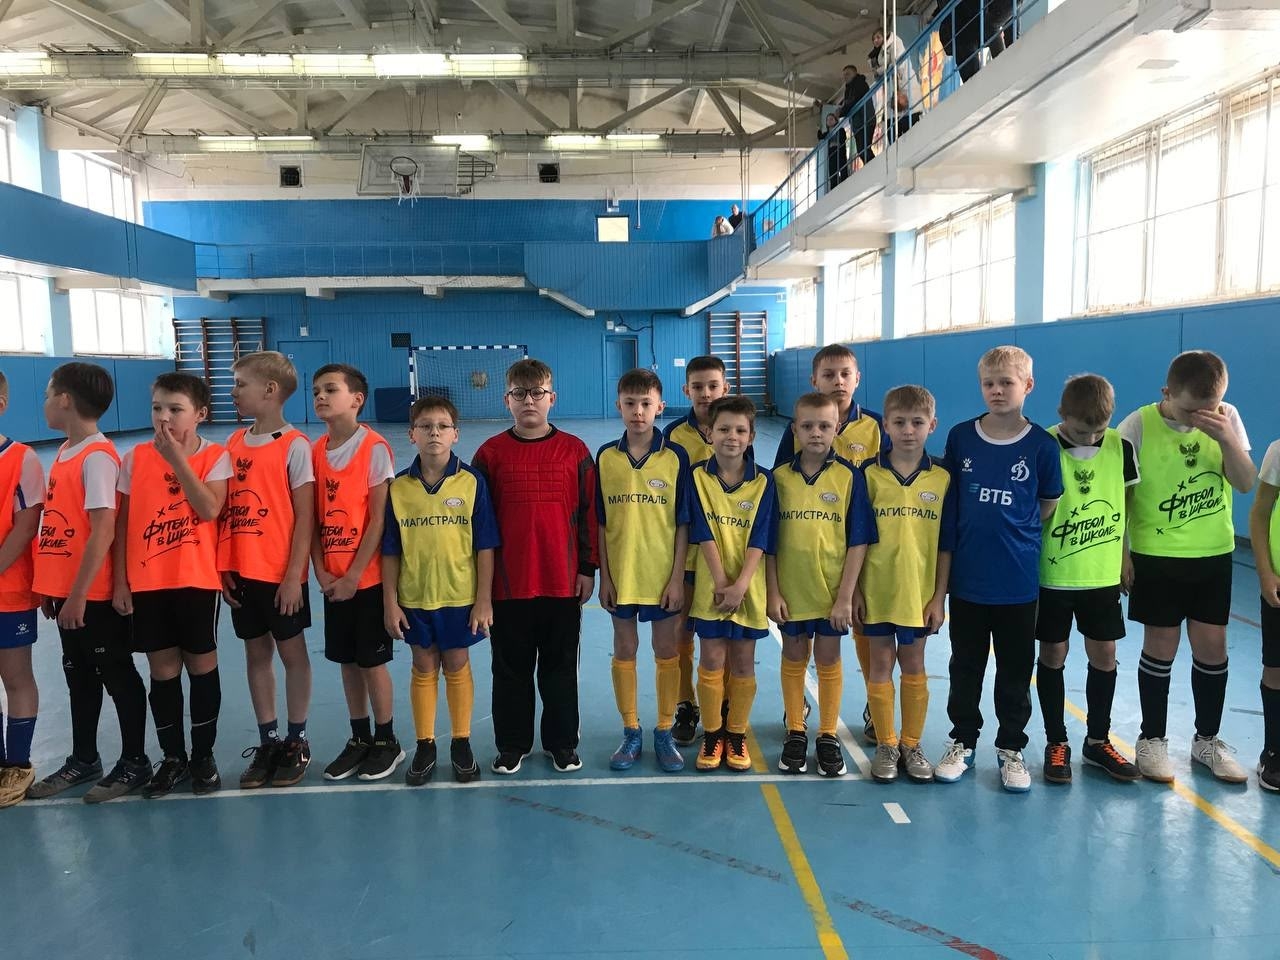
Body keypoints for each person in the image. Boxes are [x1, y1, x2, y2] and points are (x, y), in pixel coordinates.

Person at [1120, 350, 1256, 783]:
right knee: (1161, 646)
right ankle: (1152, 740)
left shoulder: (1226, 419)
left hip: (1212, 554)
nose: (1201, 418)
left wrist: (1227, 438)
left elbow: (1245, 482)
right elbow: (1119, 493)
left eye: (1209, 408)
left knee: (1213, 648)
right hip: (1157, 556)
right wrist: (1122, 553)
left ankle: (1207, 740)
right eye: (1190, 410)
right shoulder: (1137, 425)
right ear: (1167, 392)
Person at [935, 346, 1063, 792]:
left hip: (1017, 581)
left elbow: (1046, 504)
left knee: (1014, 669)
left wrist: (1014, 532)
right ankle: (962, 740)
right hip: (968, 580)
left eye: (1006, 382)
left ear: (1027, 386)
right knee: (965, 666)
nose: (997, 390)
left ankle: (1011, 747)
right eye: (988, 383)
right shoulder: (961, 438)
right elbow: (953, 502)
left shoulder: (1042, 446)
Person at [27, 363, 151, 802]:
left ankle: (135, 761)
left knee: (116, 673)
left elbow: (103, 530)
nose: (44, 402)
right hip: (68, 593)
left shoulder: (97, 457)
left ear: (65, 400)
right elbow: (63, 528)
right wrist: (53, 588)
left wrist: (78, 595)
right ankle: (84, 758)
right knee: (78, 676)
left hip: (92, 595)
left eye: (48, 394)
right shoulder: (66, 451)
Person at [473, 358, 597, 775]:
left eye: (537, 393)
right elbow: (479, 524)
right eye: (520, 394)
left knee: (560, 669)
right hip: (508, 585)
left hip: (562, 582)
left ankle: (561, 742)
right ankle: (512, 743)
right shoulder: (490, 454)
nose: (529, 401)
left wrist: (587, 568)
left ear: (551, 398)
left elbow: (589, 513)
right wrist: (482, 584)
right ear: (507, 400)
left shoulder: (575, 451)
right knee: (511, 669)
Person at [112, 373, 230, 798]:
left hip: (196, 579)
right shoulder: (134, 459)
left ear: (200, 414)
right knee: (162, 672)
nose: (164, 417)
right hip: (148, 581)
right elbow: (122, 524)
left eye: (175, 409)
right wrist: (120, 580)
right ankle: (173, 758)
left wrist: (178, 460)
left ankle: (203, 756)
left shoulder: (215, 456)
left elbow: (209, 509)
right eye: (157, 408)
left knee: (201, 666)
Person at [773, 343, 886, 744]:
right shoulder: (797, 432)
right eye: (828, 374)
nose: (838, 381)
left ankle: (875, 705)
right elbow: (783, 489)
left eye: (845, 374)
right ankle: (796, 710)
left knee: (865, 628)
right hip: (809, 554)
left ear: (857, 379)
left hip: (864, 545)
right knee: (802, 639)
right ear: (814, 380)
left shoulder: (876, 427)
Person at [384, 396, 497, 785]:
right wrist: (390, 603)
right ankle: (425, 744)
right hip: (415, 597)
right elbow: (390, 550)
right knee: (423, 665)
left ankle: (461, 742)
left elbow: (485, 545)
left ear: (455, 434)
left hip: (460, 596)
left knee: (457, 663)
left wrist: (483, 600)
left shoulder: (472, 482)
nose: (434, 432)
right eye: (426, 426)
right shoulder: (398, 488)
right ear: (411, 435)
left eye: (442, 426)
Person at [1035, 375, 1141, 784]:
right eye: (1082, 430)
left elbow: (1126, 501)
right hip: (1054, 575)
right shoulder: (1045, 445)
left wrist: (1125, 554)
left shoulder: (1120, 447)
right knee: (1053, 654)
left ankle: (1097, 740)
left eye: (1099, 429)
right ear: (1062, 414)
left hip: (1101, 575)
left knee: (1105, 654)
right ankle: (1056, 741)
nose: (1091, 436)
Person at [220, 350, 316, 789]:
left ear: (270, 390)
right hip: (242, 571)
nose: (234, 392)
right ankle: (269, 740)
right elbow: (225, 511)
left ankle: (296, 739)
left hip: (280, 576)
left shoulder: (294, 445)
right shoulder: (233, 443)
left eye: (241, 384)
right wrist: (224, 565)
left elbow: (305, 516)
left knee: (292, 656)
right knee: (255, 655)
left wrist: (294, 575)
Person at [855, 386, 955, 783]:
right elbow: (856, 540)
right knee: (880, 664)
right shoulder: (868, 475)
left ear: (932, 425)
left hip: (919, 594)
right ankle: (886, 743)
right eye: (899, 422)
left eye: (917, 422)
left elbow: (946, 545)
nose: (908, 430)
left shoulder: (943, 477)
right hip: (877, 591)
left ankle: (911, 744)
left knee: (914, 663)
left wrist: (938, 597)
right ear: (886, 425)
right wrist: (856, 591)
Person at [310, 364, 403, 783]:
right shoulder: (315, 450)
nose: (321, 396)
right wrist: (320, 570)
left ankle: (387, 740)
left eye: (331, 389)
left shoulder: (374, 447)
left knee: (371, 662)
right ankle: (359, 737)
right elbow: (312, 518)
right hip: (333, 579)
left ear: (357, 400)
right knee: (346, 662)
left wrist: (352, 576)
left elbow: (378, 521)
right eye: (317, 390)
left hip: (365, 580)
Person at [597, 369, 691, 773]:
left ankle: (664, 729)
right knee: (625, 649)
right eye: (630, 403)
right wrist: (605, 576)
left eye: (646, 404)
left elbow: (683, 522)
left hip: (662, 575)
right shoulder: (606, 457)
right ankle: (631, 729)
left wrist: (676, 578)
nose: (638, 411)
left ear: (660, 407)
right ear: (618, 406)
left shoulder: (675, 457)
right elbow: (601, 523)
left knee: (666, 651)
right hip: (622, 574)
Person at [688, 396, 777, 772]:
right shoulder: (696, 476)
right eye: (723, 429)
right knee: (711, 658)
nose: (732, 436)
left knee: (742, 661)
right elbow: (701, 530)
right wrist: (722, 580)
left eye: (740, 430)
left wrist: (740, 585)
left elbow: (761, 536)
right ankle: (712, 734)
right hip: (711, 586)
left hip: (748, 589)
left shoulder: (764, 480)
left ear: (752, 435)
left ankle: (736, 733)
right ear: (709, 433)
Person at [663, 355, 733, 746]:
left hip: (726, 554)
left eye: (712, 385)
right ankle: (685, 704)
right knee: (680, 634)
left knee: (722, 635)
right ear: (685, 390)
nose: (705, 393)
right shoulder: (673, 436)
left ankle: (722, 703)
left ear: (725, 387)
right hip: (687, 553)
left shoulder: (735, 429)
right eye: (698, 386)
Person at [0, 369, 44, 808]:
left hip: (8, 592)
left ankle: (18, 763)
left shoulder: (22, 459)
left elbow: (27, 524)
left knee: (15, 676)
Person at [1249, 434, 1280, 791]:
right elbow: (1260, 512)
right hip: (1279, 583)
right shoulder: (1278, 450)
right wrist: (1265, 572)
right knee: (1276, 668)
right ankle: (1273, 752)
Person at [870, 26, 922, 140]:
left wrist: (880, 71)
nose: (876, 40)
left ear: (885, 36)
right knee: (892, 131)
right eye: (874, 39)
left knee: (910, 127)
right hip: (892, 91)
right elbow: (881, 72)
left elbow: (897, 63)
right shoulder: (876, 55)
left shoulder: (895, 42)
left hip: (903, 84)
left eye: (878, 37)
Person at [839, 64, 874, 165]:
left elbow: (853, 101)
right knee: (861, 150)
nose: (845, 77)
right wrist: (843, 109)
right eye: (844, 75)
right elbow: (848, 104)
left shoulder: (860, 83)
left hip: (866, 120)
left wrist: (842, 110)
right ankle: (871, 166)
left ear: (855, 73)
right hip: (857, 124)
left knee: (864, 149)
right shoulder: (848, 90)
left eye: (847, 74)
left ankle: (873, 166)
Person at [821, 112, 849, 192]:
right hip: (832, 154)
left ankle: (845, 188)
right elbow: (821, 136)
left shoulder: (840, 129)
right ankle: (834, 190)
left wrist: (836, 143)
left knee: (843, 171)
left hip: (840, 152)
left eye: (831, 119)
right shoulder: (827, 134)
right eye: (828, 120)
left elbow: (843, 138)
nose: (829, 121)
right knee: (833, 174)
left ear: (835, 121)